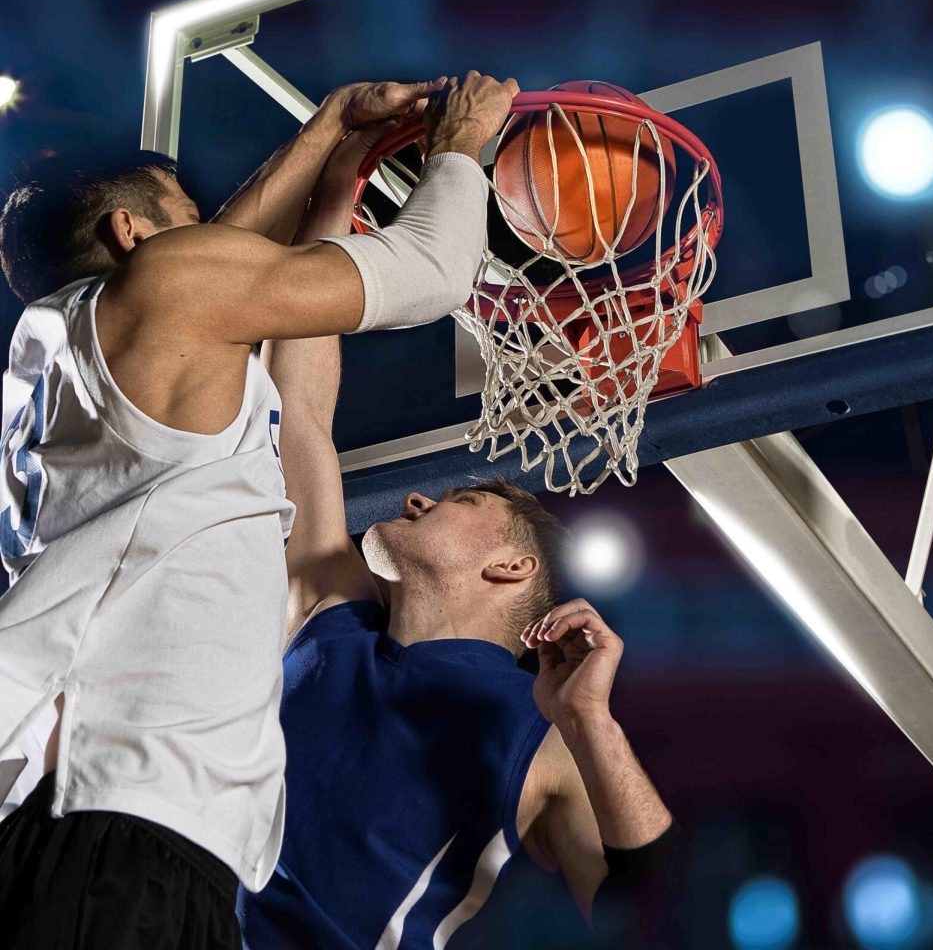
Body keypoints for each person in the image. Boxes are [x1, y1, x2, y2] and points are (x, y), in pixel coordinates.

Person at [0, 71, 518, 949]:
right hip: (117, 826)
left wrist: (333, 148)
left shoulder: (63, 362)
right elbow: (430, 272)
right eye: (186, 214)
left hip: (72, 819)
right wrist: (459, 146)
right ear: (133, 235)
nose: (218, 239)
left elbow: (237, 274)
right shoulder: (168, 292)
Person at [236, 125, 685, 949]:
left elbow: (647, 913)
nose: (413, 496)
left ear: (514, 565)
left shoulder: (544, 737)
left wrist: (593, 724)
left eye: (464, 495)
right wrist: (339, 177)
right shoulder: (326, 609)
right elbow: (295, 407)